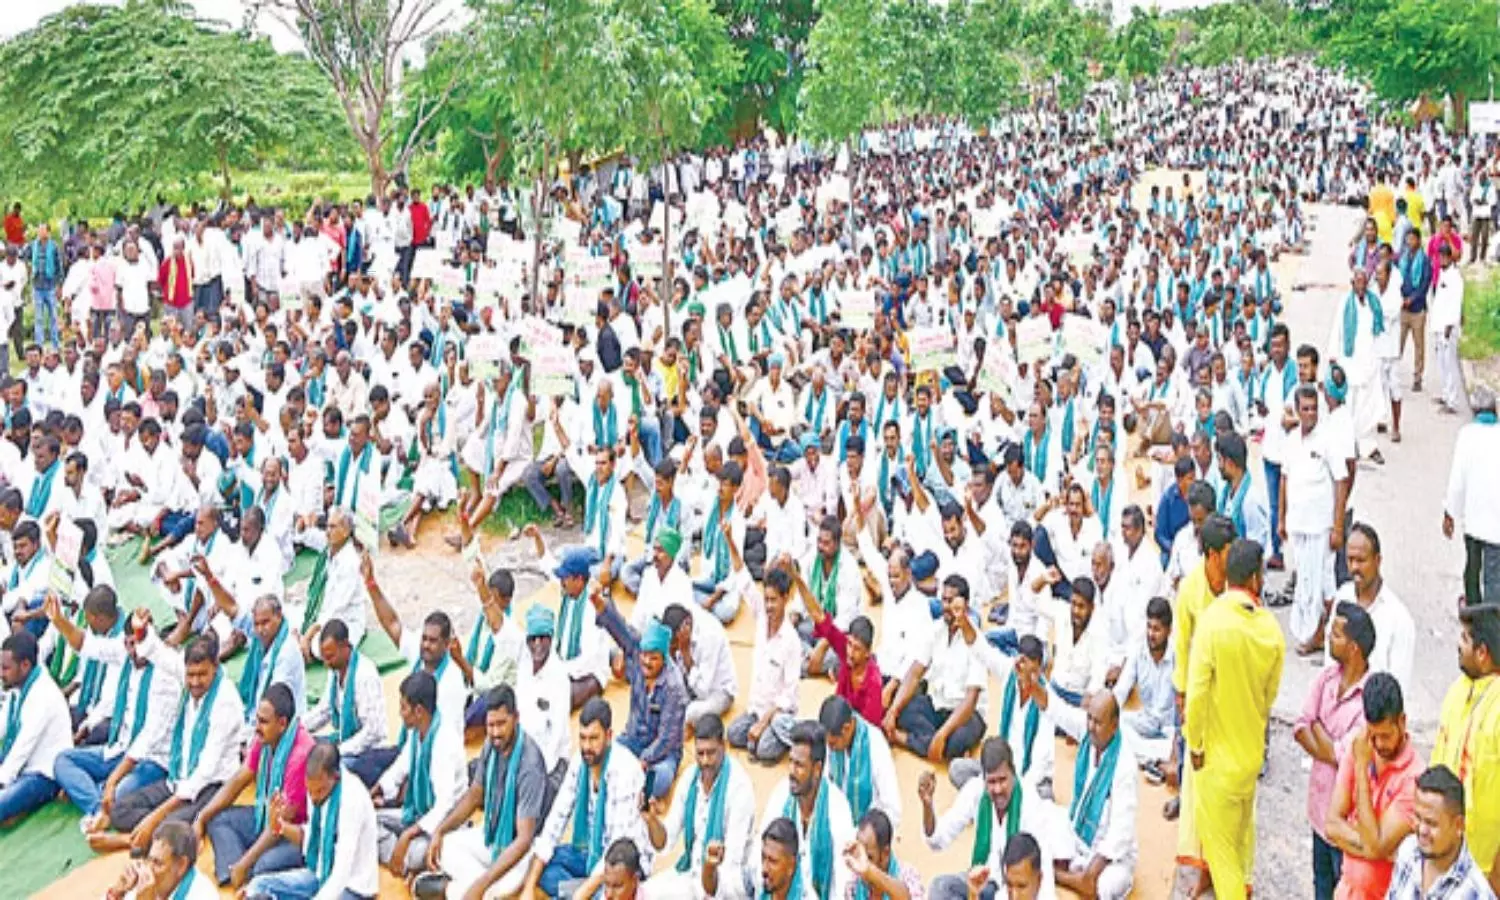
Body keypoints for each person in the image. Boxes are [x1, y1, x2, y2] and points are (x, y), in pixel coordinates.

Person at [1183, 539, 1286, 900]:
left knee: (1223, 858)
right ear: (1256, 579)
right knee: (1240, 849)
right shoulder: (1271, 631)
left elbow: (1195, 695)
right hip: (1249, 757)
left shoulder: (1212, 624)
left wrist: (1193, 743)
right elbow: (1269, 697)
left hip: (1215, 763)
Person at [52, 596, 181, 829]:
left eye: (138, 643)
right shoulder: (125, 656)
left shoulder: (165, 675)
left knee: (120, 792)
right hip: (119, 748)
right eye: (129, 644)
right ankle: (97, 807)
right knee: (62, 760)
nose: (134, 650)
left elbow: (147, 740)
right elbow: (88, 645)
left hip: (152, 760)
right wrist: (59, 620)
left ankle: (98, 795)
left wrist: (113, 781)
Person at [416, 685, 551, 900]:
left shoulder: (529, 764)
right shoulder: (491, 745)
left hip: (521, 853)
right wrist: (440, 830)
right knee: (445, 845)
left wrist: (483, 883)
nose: (496, 732)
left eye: (501, 724)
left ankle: (449, 890)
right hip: (492, 833)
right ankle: (471, 888)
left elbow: (524, 840)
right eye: (491, 725)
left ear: (516, 718)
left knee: (495, 891)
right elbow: (474, 796)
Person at [527, 698, 648, 899]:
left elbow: (617, 845)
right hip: (589, 852)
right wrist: (528, 888)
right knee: (541, 867)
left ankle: (583, 891)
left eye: (593, 738)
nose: (586, 746)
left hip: (620, 865)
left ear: (609, 736)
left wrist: (582, 893)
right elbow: (556, 821)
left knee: (612, 888)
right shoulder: (580, 762)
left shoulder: (625, 770)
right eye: (582, 738)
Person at [1295, 602, 1376, 900]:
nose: (1329, 637)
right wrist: (1326, 740)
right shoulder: (1326, 679)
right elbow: (1301, 725)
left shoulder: (1369, 699)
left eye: (1337, 634)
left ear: (1354, 647)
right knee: (1321, 888)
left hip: (1346, 825)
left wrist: (1318, 729)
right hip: (1319, 814)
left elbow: (1347, 757)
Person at [199, 683, 314, 887]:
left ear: (282, 723)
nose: (257, 728)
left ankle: (243, 869)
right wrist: (201, 818)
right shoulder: (265, 737)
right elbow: (238, 781)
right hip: (266, 817)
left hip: (295, 833)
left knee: (262, 866)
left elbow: (279, 824)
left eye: (263, 722)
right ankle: (236, 872)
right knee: (217, 819)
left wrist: (245, 862)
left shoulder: (301, 756)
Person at [241, 741, 381, 900]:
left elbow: (341, 873)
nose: (313, 797)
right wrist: (279, 826)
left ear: (335, 777)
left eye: (319, 791)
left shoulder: (352, 800)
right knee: (259, 885)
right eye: (310, 791)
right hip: (320, 874)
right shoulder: (317, 789)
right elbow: (312, 838)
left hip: (352, 887)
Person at [1324, 672, 1420, 900]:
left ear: (1402, 722)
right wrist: (1371, 846)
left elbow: (1377, 845)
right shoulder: (1360, 748)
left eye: (1385, 736)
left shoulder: (1413, 778)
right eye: (1373, 735)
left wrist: (1360, 769)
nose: (1378, 744)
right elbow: (1331, 825)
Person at [923, 737, 1055, 900]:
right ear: (983, 778)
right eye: (991, 782)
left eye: (1002, 780)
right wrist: (928, 807)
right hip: (981, 880)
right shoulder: (975, 791)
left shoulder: (1030, 803)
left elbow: (1042, 869)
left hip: (1011, 888)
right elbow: (938, 840)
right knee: (940, 887)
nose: (997, 789)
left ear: (1013, 774)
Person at [642, 714, 757, 897]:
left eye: (711, 753)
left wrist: (708, 873)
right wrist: (651, 820)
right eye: (700, 753)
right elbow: (664, 843)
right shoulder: (690, 778)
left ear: (724, 746)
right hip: (690, 874)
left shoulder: (739, 789)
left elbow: (730, 867)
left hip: (725, 885)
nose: (704, 761)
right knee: (642, 893)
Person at [1430, 602, 1500, 889]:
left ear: (1482, 654)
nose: (1458, 645)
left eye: (1465, 639)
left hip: (1483, 871)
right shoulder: (1457, 691)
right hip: (1444, 855)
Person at [591, 590, 686, 800]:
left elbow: (667, 739)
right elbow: (620, 628)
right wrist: (600, 604)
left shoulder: (674, 688)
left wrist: (643, 760)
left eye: (653, 658)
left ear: (664, 658)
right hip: (633, 739)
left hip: (661, 754)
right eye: (644, 656)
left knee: (659, 780)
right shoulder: (636, 652)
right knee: (602, 755)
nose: (646, 663)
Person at [372, 670, 468, 877]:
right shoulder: (417, 732)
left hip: (445, 826)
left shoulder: (445, 742)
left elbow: (445, 805)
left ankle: (403, 857)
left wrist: (408, 834)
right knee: (370, 821)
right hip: (417, 813)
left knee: (416, 854)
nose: (400, 713)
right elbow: (400, 767)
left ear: (418, 711)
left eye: (403, 708)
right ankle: (401, 857)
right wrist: (377, 789)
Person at [885, 574, 987, 762]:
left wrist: (942, 734)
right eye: (944, 600)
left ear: (966, 605)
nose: (947, 607)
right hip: (937, 705)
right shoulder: (935, 630)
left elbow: (970, 701)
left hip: (964, 715)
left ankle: (908, 739)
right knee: (900, 710)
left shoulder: (977, 641)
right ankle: (935, 745)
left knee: (954, 741)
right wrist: (893, 710)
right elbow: (915, 673)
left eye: (953, 602)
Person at [1281, 384, 1351, 656]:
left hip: (1321, 525)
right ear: (1297, 410)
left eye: (1314, 409)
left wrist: (1338, 526)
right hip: (1297, 522)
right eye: (1305, 409)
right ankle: (1313, 630)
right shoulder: (1291, 441)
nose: (1310, 414)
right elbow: (1285, 480)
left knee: (1324, 581)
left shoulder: (1328, 439)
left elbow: (1341, 481)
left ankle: (1327, 633)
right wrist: (1282, 520)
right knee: (1305, 580)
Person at [755, 721, 857, 900]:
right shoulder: (781, 795)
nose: (791, 772)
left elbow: (842, 883)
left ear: (817, 769)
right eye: (791, 762)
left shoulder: (838, 810)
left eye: (799, 765)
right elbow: (760, 856)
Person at [1384, 766, 1496, 899]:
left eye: (1431, 823)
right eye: (1418, 818)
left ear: (1458, 825)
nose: (1421, 830)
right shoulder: (1408, 851)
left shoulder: (1476, 893)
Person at [1329, 524, 1414, 697]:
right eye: (1350, 560)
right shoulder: (1342, 597)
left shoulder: (1398, 618)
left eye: (1361, 560)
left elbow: (1398, 690)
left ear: (1378, 561)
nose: (1354, 568)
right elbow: (1329, 665)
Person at [301, 619, 388, 787]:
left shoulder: (365, 675)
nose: (326, 663)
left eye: (330, 657)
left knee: (329, 769)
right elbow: (324, 710)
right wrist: (297, 729)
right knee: (305, 748)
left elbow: (372, 732)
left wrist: (338, 751)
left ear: (345, 647)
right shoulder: (335, 671)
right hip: (345, 741)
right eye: (324, 658)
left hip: (368, 752)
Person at [727, 567, 801, 762]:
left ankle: (784, 734)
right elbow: (744, 580)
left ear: (785, 598)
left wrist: (764, 722)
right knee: (733, 734)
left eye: (773, 600)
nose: (768, 606)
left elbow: (789, 695)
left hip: (777, 715)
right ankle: (759, 736)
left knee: (763, 750)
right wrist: (730, 541)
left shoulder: (792, 641)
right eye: (766, 599)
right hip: (756, 710)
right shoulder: (761, 618)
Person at [0, 630, 71, 823]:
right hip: (19, 764)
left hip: (42, 774)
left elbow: (23, 747)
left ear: (25, 666)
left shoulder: (43, 695)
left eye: (5, 668)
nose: (1, 674)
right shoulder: (18, 687)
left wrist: (2, 781)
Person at [1444, 386, 1500, 606]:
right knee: (1494, 576)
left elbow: (1457, 480)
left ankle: (1475, 614)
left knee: (1472, 568)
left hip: (1474, 520)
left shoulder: (1467, 435)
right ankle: (1493, 619)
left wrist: (1450, 513)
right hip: (1497, 525)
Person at [457, 566, 526, 732]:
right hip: (474, 681)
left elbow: (491, 686)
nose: (489, 606)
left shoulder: (510, 636)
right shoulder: (483, 618)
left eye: (494, 601)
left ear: (507, 601)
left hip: (494, 692)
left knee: (470, 717)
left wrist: (460, 661)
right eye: (489, 599)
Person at [819, 695, 901, 830]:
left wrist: (865, 837)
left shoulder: (875, 745)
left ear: (846, 728)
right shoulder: (831, 741)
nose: (830, 748)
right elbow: (825, 784)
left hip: (868, 833)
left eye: (833, 744)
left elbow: (892, 809)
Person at [102, 820, 219, 900]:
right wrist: (116, 893)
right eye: (149, 860)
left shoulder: (204, 896)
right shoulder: (146, 885)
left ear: (181, 865)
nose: (148, 869)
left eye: (157, 863)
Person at [845, 808, 924, 900]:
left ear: (885, 853)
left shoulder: (907, 876)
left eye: (869, 857)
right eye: (860, 855)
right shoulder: (854, 884)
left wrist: (870, 871)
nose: (863, 863)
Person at [1429, 243, 1465, 414]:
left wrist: (1449, 325)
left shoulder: (1455, 277)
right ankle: (1445, 393)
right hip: (1439, 325)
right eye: (1439, 257)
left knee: (1450, 364)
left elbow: (1456, 304)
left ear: (1450, 257)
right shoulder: (1443, 273)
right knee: (1442, 363)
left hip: (1448, 328)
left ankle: (1453, 401)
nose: (1441, 259)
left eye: (1444, 257)